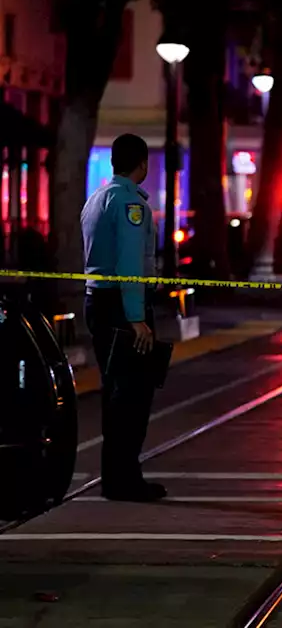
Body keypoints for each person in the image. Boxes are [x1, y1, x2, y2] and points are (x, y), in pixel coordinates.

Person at [81, 133, 167, 502]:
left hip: (97, 301)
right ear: (143, 163)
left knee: (114, 393)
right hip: (122, 305)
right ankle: (125, 479)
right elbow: (130, 263)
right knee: (133, 394)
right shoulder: (131, 204)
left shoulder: (96, 199)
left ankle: (115, 476)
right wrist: (136, 317)